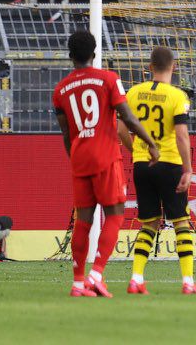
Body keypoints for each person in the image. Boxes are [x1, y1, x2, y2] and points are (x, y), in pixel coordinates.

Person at [52, 30, 159, 297]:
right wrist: (150, 144)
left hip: (79, 158)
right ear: (95, 53)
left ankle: (78, 284)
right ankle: (97, 274)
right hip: (106, 155)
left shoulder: (60, 90)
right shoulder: (109, 79)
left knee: (83, 221)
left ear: (70, 56)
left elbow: (66, 133)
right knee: (114, 214)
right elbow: (130, 119)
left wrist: (74, 158)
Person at [118, 46, 196, 295]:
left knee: (149, 224)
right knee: (181, 223)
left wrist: (136, 151)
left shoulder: (133, 93)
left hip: (142, 164)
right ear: (173, 67)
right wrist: (187, 169)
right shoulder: (177, 96)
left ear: (150, 67)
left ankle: (136, 278)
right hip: (170, 164)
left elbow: (120, 129)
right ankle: (187, 282)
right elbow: (181, 134)